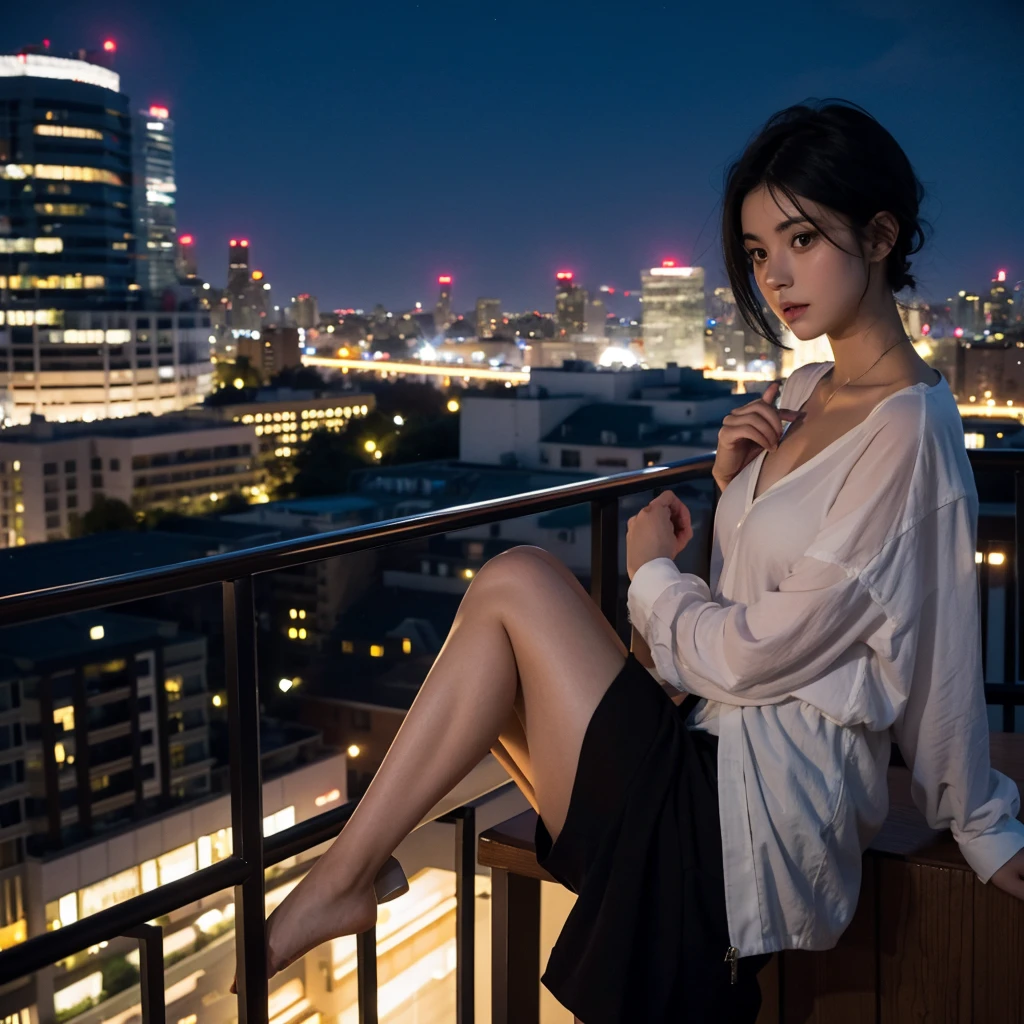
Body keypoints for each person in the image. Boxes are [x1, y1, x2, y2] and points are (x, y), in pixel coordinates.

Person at [246, 100, 1024, 1022]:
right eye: (757, 252)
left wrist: (651, 572)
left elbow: (862, 653)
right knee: (496, 654)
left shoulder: (911, 431)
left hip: (761, 812)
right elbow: (746, 610)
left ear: (882, 236)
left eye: (802, 238)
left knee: (517, 582)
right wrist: (733, 491)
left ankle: (342, 878)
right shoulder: (805, 390)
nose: (775, 275)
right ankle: (348, 876)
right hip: (706, 753)